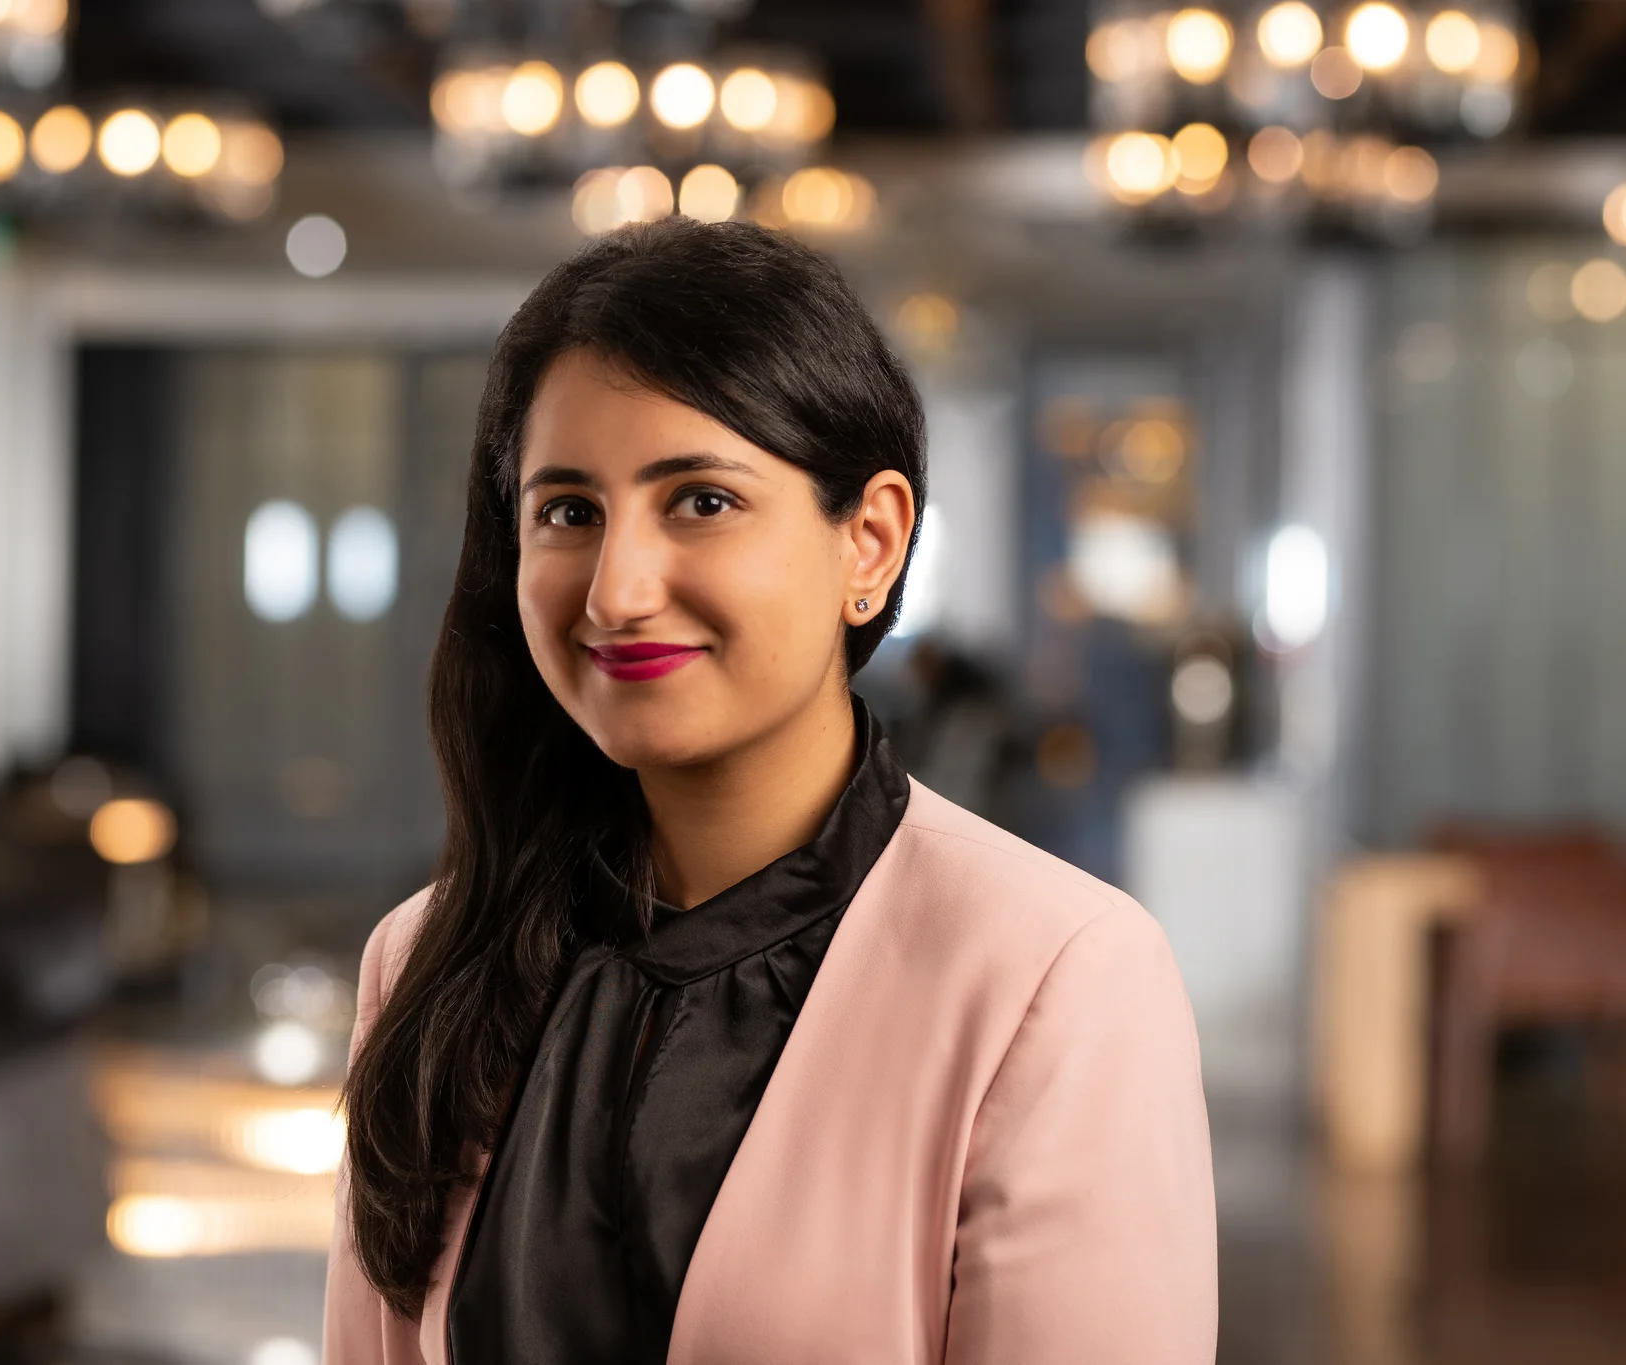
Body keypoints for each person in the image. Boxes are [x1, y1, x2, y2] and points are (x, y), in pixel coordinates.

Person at [324, 217, 1215, 1365]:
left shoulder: (1053, 975)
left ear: (870, 543)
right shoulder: (428, 956)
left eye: (700, 499)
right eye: (568, 511)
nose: (616, 592)